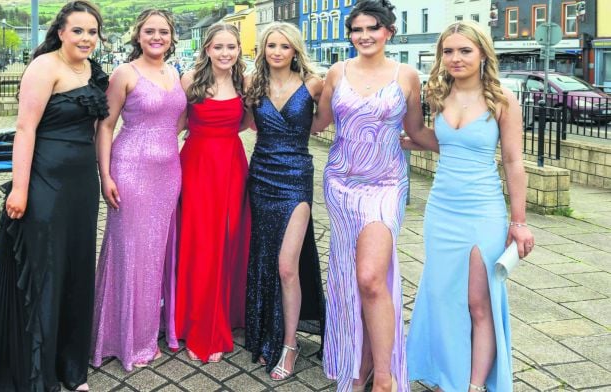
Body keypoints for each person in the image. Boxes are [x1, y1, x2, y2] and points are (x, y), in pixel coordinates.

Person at [0, 1, 108, 391]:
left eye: (92, 32)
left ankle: (72, 368)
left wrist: (105, 173)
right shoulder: (44, 67)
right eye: (78, 30)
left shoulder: (93, 72)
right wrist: (19, 187)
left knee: (77, 267)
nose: (86, 38)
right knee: (47, 268)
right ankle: (40, 372)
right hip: (45, 179)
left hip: (82, 185)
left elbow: (101, 128)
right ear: (61, 32)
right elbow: (25, 128)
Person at [404, 20, 534, 392]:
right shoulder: (438, 95)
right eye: (448, 51)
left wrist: (520, 222)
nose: (456, 58)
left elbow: (512, 161)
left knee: (479, 302)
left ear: (482, 54)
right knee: (443, 298)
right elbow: (450, 142)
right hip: (441, 208)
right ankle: (449, 377)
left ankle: (475, 386)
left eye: (465, 50)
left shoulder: (502, 99)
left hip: (482, 211)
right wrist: (418, 141)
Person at [310, 0, 435, 390]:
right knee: (348, 278)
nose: (364, 36)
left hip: (386, 184)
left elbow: (415, 131)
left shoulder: (407, 75)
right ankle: (357, 362)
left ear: (388, 32)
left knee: (370, 277)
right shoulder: (336, 72)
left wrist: (465, 144)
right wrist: (266, 113)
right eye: (357, 29)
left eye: (372, 28)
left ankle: (384, 376)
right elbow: (317, 123)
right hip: (340, 183)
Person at [90, 9, 186, 372]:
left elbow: (176, 120)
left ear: (171, 36)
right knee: (129, 252)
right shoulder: (124, 73)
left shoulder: (174, 73)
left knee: (155, 255)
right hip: (130, 169)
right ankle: (122, 337)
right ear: (138, 35)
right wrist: (105, 174)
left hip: (168, 172)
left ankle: (149, 329)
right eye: (150, 31)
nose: (157, 37)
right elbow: (106, 124)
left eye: (163, 31)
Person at [244, 22, 326, 381]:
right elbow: (245, 122)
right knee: (263, 256)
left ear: (295, 50)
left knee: (287, 265)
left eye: (285, 46)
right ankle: (265, 334)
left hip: (295, 179)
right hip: (260, 174)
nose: (277, 51)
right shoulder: (252, 84)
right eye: (271, 45)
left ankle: (290, 345)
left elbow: (323, 124)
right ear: (264, 49)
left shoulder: (314, 84)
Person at [175, 22, 251, 364]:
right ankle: (199, 322)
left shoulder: (243, 83)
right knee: (200, 242)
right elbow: (174, 125)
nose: (225, 53)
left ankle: (226, 312)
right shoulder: (190, 81)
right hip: (197, 166)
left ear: (238, 50)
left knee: (228, 240)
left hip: (232, 166)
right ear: (207, 48)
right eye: (218, 47)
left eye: (231, 47)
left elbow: (248, 122)